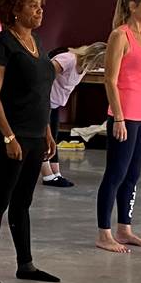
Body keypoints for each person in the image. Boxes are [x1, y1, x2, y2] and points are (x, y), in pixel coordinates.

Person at [0, 0, 59, 283]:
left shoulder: (37, 42)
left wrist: (47, 131)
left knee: (23, 202)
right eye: (33, 5)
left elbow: (41, 93)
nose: (39, 10)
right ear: (14, 10)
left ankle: (25, 264)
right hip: (8, 135)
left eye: (41, 4)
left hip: (35, 133)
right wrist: (9, 137)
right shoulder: (2, 45)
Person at [96, 0, 141, 253]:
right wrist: (119, 119)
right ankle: (104, 233)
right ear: (133, 6)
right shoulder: (120, 35)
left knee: (133, 175)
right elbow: (109, 80)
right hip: (124, 115)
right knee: (115, 174)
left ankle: (124, 228)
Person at [40, 42, 106, 187]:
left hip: (54, 104)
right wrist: (41, 104)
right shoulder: (68, 59)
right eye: (99, 64)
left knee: (53, 138)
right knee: (44, 138)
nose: (98, 68)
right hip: (43, 103)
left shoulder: (84, 66)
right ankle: (47, 175)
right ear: (93, 57)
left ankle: (55, 173)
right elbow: (43, 78)